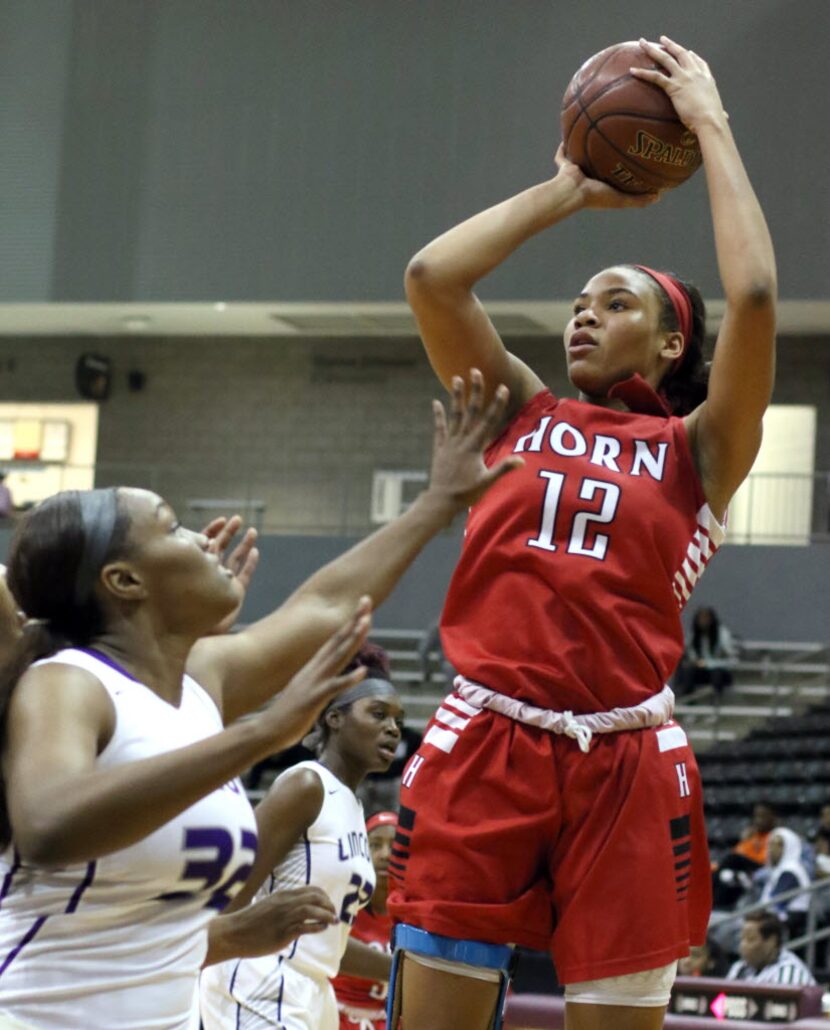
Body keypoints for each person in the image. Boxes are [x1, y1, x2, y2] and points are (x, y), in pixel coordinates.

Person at [388, 36, 776, 1030]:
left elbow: (756, 297)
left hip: (624, 758)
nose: (581, 317)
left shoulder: (701, 449)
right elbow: (433, 277)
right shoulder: (521, 410)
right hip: (484, 736)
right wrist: (569, 190)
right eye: (575, 303)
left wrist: (710, 126)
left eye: (614, 303)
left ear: (670, 340)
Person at [0, 381, 520, 1029]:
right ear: (126, 582)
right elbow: (49, 824)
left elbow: (326, 607)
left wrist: (439, 502)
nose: (201, 536)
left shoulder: (201, 682)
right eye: (171, 526)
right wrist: (258, 736)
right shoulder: (68, 681)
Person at [199, 649, 400, 1029]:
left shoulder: (354, 811)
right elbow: (228, 895)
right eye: (378, 714)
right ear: (334, 718)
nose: (392, 728)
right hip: (261, 979)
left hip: (314, 986)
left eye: (396, 720)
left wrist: (403, 970)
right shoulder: (306, 785)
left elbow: (328, 944)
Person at [333, 810, 397, 1029]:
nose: (385, 854)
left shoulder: (415, 914)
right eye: (375, 845)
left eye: (394, 846)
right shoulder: (342, 902)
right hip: (336, 1017)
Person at [727, 911, 815, 986]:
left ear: (771, 941)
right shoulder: (739, 967)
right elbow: (721, 1003)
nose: (743, 945)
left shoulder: (790, 972)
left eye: (750, 939)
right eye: (741, 939)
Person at [675, 606, 738, 697]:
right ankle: (688, 701)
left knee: (717, 674)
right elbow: (691, 654)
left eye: (706, 618)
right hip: (702, 671)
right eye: (700, 618)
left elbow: (732, 660)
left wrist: (708, 664)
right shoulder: (694, 636)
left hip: (719, 671)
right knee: (687, 671)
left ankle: (716, 702)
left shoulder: (722, 635)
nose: (703, 621)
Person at [759, 827, 811, 932]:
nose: (772, 848)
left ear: (790, 846)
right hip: (776, 919)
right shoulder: (779, 870)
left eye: (779, 844)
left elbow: (775, 904)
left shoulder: (791, 870)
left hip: (791, 921)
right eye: (771, 843)